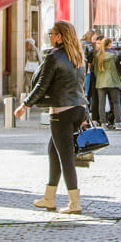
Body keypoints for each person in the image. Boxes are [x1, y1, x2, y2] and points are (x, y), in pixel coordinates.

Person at [14, 21, 87, 214]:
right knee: (54, 152)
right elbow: (81, 86)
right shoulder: (79, 56)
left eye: (52, 33)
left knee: (66, 157)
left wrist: (25, 105)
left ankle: (74, 203)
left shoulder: (54, 56)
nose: (50, 36)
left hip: (62, 112)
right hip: (78, 109)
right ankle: (49, 197)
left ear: (60, 36)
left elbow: (41, 85)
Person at [91, 36, 121, 128]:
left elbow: (95, 70)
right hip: (113, 81)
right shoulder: (114, 55)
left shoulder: (97, 55)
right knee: (116, 102)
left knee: (101, 103)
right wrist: (119, 76)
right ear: (110, 44)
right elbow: (117, 69)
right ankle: (118, 122)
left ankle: (103, 123)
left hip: (101, 82)